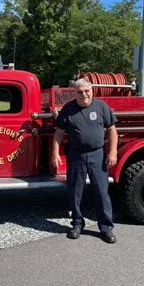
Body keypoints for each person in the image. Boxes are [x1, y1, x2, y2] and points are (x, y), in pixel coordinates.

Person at [51, 78, 118, 244]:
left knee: (101, 192)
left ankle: (106, 228)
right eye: (79, 92)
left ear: (92, 91)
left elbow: (112, 130)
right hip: (76, 156)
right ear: (74, 93)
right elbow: (59, 133)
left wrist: (113, 152)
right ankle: (77, 225)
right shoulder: (68, 109)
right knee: (75, 192)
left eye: (86, 91)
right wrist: (55, 153)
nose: (83, 95)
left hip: (97, 155)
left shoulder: (101, 106)